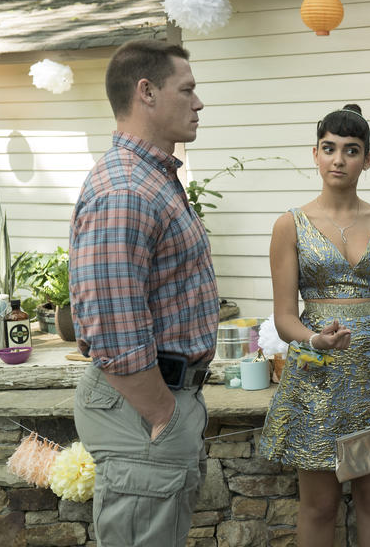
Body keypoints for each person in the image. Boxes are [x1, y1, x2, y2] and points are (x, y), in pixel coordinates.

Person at [69, 39, 218, 547]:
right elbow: (114, 326)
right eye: (187, 90)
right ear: (147, 92)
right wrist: (162, 415)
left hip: (157, 405)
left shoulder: (152, 178)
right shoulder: (127, 189)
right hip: (143, 410)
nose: (198, 103)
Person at [259, 104, 370, 546]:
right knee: (318, 507)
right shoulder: (289, 225)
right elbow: (284, 317)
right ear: (315, 154)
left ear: (367, 160)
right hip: (319, 381)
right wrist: (313, 338)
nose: (339, 159)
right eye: (329, 148)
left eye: (351, 150)